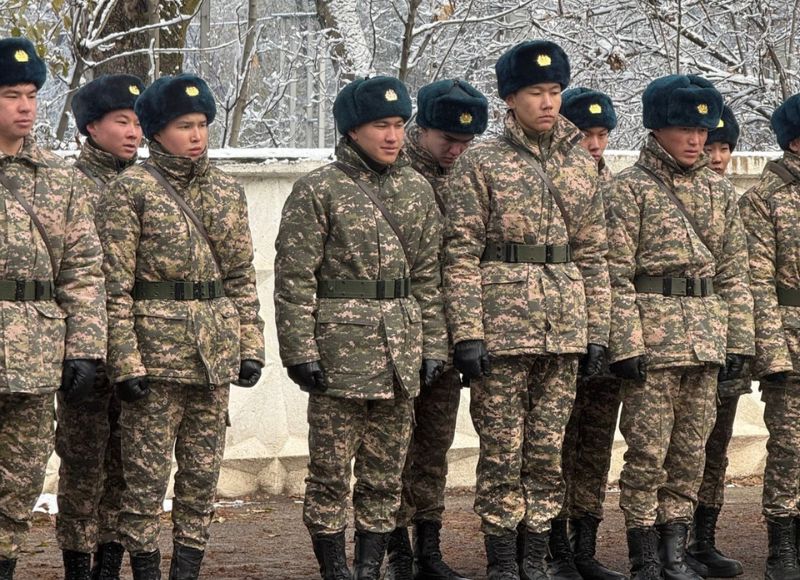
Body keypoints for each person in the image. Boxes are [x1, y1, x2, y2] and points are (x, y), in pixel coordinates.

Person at [442, 40, 611, 580]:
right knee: (501, 453)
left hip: (564, 329)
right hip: (502, 331)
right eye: (535, 92)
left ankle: (535, 561)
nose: (547, 102)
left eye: (555, 91)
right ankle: (502, 562)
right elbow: (460, 253)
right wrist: (467, 332)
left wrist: (598, 331)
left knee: (546, 453)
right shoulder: (481, 162)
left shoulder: (580, 164)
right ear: (510, 98)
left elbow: (593, 254)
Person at [274, 75, 447, 580]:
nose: (393, 136)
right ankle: (336, 571)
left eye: (398, 125)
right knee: (329, 475)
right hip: (339, 356)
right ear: (352, 130)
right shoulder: (318, 190)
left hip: (399, 356)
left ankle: (369, 570)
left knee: (385, 476)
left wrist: (434, 345)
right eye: (380, 126)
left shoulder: (416, 190)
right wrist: (299, 351)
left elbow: (428, 278)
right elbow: (295, 278)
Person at [96, 73, 265, 580]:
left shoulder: (226, 191)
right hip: (155, 360)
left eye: (202, 125)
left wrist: (250, 344)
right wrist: (125, 361)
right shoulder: (131, 191)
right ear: (155, 131)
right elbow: (114, 287)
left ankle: (187, 570)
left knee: (201, 479)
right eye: (183, 126)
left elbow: (241, 276)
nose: (196, 136)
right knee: (144, 484)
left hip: (213, 358)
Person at [604, 74, 753, 580]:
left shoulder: (719, 192)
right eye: (684, 129)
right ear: (657, 128)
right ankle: (645, 556)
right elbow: (615, 275)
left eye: (702, 130)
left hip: (706, 341)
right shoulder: (628, 190)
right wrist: (626, 342)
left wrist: (738, 341)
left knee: (690, 454)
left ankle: (676, 552)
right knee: (648, 453)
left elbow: (734, 273)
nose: (695, 139)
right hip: (653, 343)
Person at [0, 36, 107, 580]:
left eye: (31, 95)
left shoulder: (59, 178)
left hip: (35, 359)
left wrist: (84, 348)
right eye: (10, 95)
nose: (25, 107)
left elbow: (83, 269)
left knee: (19, 484)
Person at [388, 78, 488, 580]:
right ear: (420, 128)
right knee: (391, 448)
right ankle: (393, 549)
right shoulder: (393, 173)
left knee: (433, 446)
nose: (456, 150)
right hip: (399, 332)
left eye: (466, 142)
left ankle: (428, 549)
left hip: (452, 333)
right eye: (448, 139)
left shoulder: (472, 174)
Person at [56, 73, 146, 580]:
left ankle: (109, 565)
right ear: (92, 127)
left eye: (138, 122)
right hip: (85, 349)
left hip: (139, 345)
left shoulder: (150, 187)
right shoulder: (68, 186)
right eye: (122, 121)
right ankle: (77, 563)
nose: (134, 133)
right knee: (83, 461)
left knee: (127, 465)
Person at [551, 86, 626, 580]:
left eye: (602, 135)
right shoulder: (556, 183)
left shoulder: (619, 188)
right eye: (586, 135)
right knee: (555, 443)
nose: (595, 145)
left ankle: (585, 546)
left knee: (596, 444)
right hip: (561, 329)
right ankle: (553, 546)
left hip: (610, 331)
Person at [738, 93, 800, 580]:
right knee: (790, 448)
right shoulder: (764, 199)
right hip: (791, 341)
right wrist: (773, 354)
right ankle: (782, 545)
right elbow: (756, 283)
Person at [687, 104, 746, 578]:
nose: (718, 157)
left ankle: (703, 538)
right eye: (712, 148)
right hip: (686, 340)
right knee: (682, 445)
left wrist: (740, 342)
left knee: (716, 446)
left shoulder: (731, 201)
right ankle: (674, 538)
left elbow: (739, 279)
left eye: (725, 148)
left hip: (723, 340)